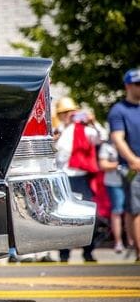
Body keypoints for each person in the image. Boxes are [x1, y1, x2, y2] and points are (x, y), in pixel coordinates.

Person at [54, 96, 107, 262]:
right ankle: (64, 253)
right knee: (62, 217)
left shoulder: (84, 129)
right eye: (64, 113)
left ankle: (88, 251)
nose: (68, 115)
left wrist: (93, 122)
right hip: (63, 177)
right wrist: (61, 130)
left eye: (70, 112)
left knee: (90, 216)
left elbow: (102, 137)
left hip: (81, 177)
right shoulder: (58, 130)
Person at [107, 68, 140, 262]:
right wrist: (133, 160)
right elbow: (117, 138)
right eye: (138, 84)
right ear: (128, 85)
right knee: (136, 209)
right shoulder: (119, 110)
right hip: (133, 167)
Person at [98, 141, 126, 253]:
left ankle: (132, 241)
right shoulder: (107, 145)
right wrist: (120, 164)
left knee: (133, 212)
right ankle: (118, 242)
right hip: (114, 182)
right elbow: (103, 165)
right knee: (117, 211)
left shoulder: (132, 141)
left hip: (131, 181)